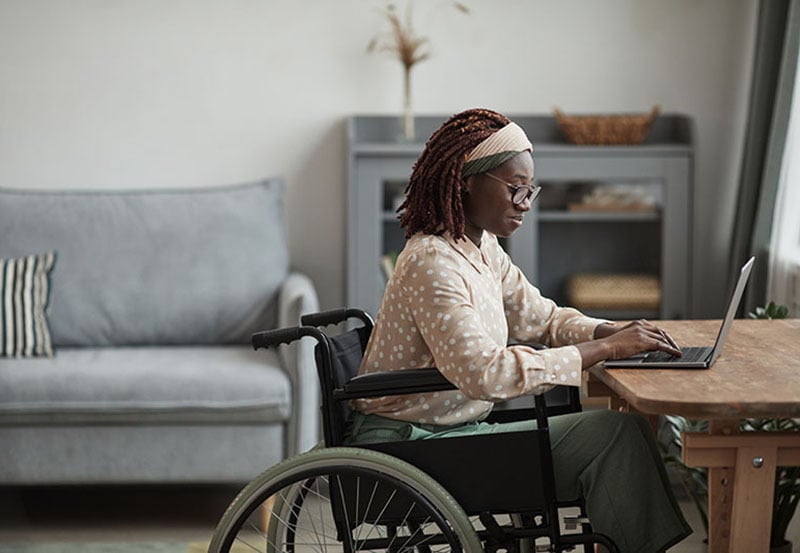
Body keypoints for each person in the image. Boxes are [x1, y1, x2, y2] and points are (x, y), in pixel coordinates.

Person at [344, 107, 692, 551]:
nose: (526, 203)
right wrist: (602, 352)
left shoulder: (482, 246)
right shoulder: (432, 261)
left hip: (456, 433)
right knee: (614, 436)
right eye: (516, 189)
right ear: (465, 180)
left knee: (619, 432)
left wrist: (610, 331)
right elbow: (484, 374)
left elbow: (541, 317)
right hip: (413, 444)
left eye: (531, 190)